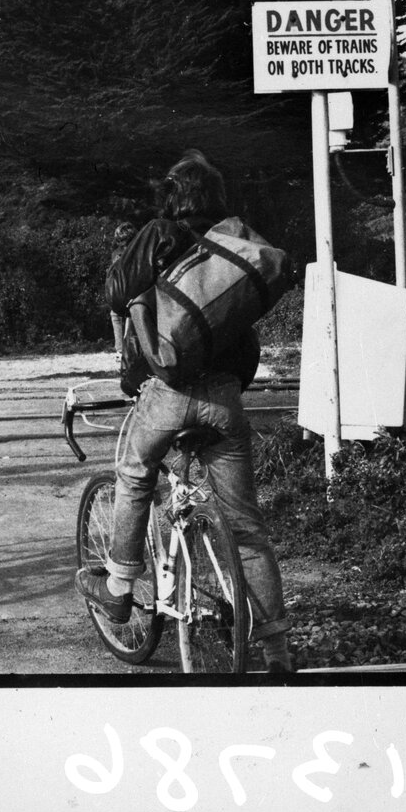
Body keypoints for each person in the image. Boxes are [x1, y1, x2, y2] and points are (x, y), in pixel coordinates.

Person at [77, 149, 296, 674]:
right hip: (226, 396)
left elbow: (114, 293)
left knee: (133, 474)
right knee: (246, 530)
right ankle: (277, 652)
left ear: (172, 198)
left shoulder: (159, 233)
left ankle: (119, 586)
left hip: (168, 391)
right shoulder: (233, 244)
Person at [107, 221, 138, 357]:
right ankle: (120, 349)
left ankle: (129, 348)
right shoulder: (116, 254)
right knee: (115, 313)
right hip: (123, 289)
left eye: (125, 243)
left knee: (133, 313)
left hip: (137, 289)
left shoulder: (139, 252)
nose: (123, 246)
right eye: (120, 242)